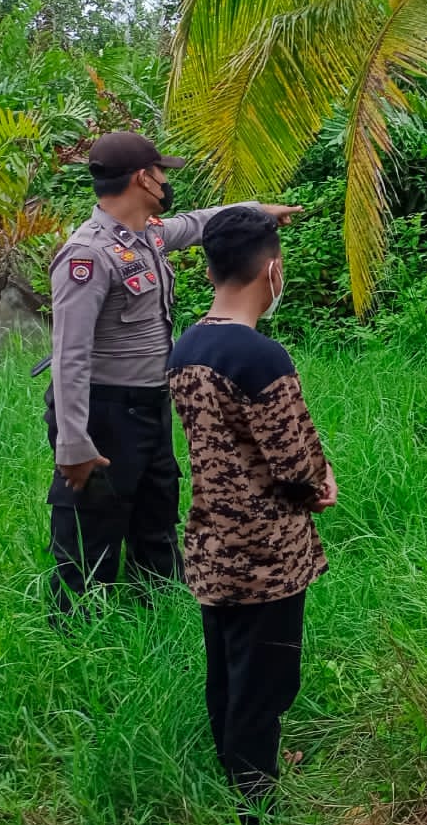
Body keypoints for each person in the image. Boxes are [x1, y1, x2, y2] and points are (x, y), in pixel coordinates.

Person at [42, 132, 300, 618]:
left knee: (155, 522)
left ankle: (155, 619)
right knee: (89, 534)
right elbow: (69, 355)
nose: (165, 181)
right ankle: (78, 637)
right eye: (162, 173)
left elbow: (198, 224)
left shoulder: (146, 235)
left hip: (149, 408)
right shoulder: (88, 255)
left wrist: (257, 211)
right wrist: (73, 442)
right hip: (103, 413)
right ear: (144, 178)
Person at [168, 207, 336, 825]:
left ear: (210, 268)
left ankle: (235, 771)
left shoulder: (186, 345)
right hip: (267, 554)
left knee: (228, 667)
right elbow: (295, 464)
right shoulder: (263, 357)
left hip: (212, 541)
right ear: (271, 269)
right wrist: (322, 482)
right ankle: (256, 810)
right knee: (267, 680)